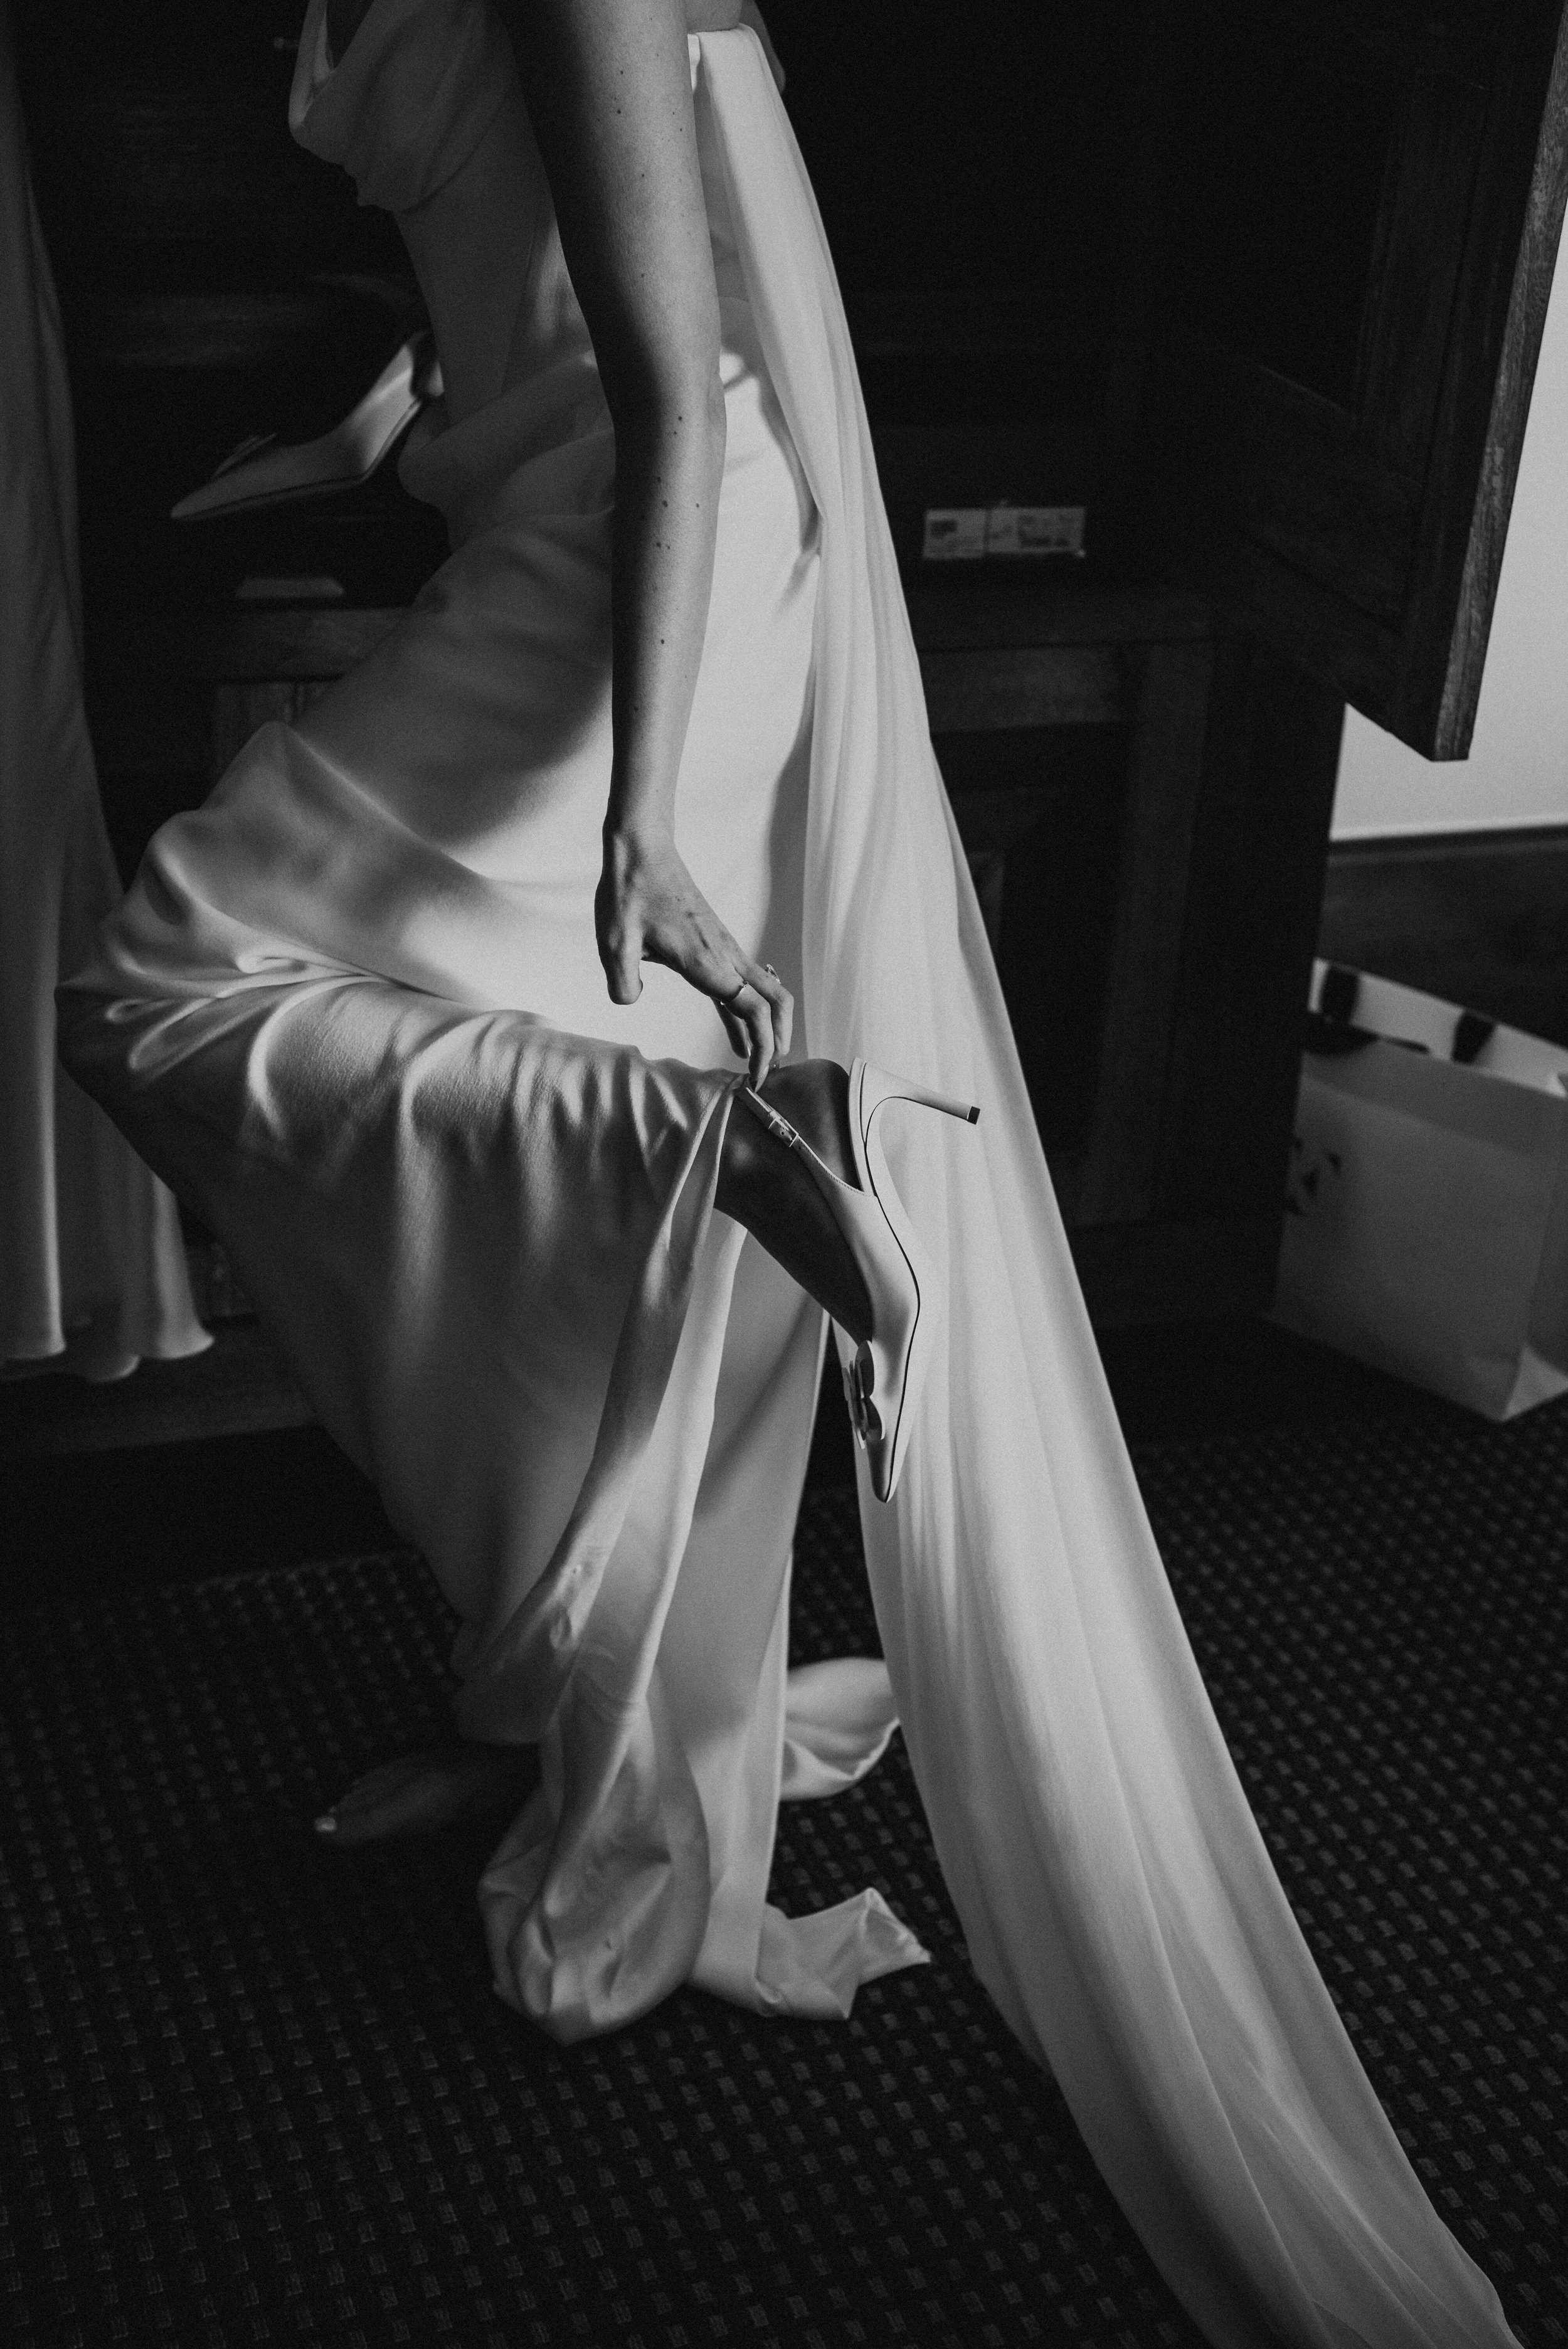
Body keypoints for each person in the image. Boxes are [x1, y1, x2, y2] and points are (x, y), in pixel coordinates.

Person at [58, 3, 1523, 2342]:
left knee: (163, 987)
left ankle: (697, 1169)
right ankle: (577, 1697)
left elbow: (674, 373)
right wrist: (386, 422)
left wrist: (648, 803)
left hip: (645, 583)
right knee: (437, 1099)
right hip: (563, 534)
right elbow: (510, 271)